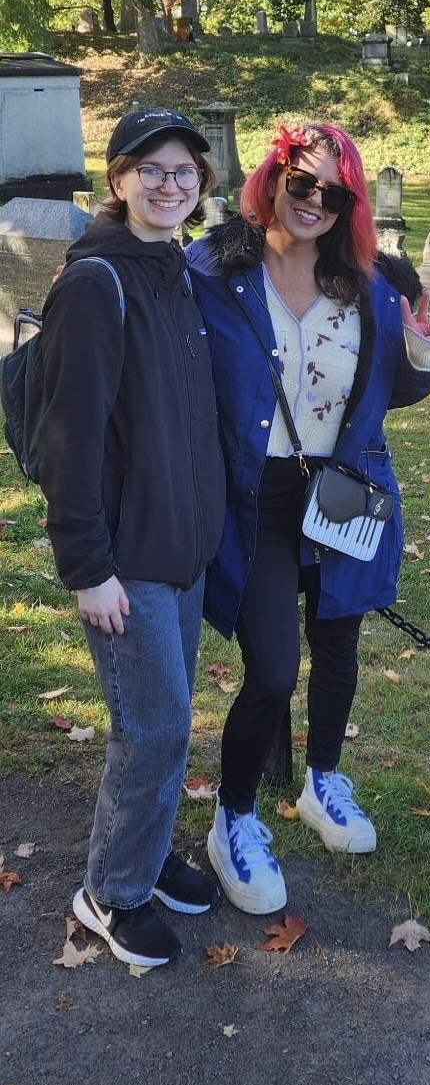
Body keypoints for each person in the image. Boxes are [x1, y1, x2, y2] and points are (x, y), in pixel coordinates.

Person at [186, 121, 430, 914]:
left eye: (334, 193)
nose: (315, 202)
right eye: (302, 182)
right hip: (256, 497)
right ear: (274, 176)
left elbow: (391, 388)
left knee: (338, 644)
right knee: (270, 666)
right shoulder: (215, 270)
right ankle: (233, 817)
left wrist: (425, 350)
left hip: (339, 489)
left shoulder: (368, 283)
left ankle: (323, 780)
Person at [36, 108, 226, 968]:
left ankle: (143, 860)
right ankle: (111, 890)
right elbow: (72, 440)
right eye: (150, 168)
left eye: (185, 171)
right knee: (151, 730)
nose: (169, 184)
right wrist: (87, 568)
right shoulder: (96, 283)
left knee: (170, 723)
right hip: (126, 562)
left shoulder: (176, 272)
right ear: (117, 180)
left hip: (179, 550)